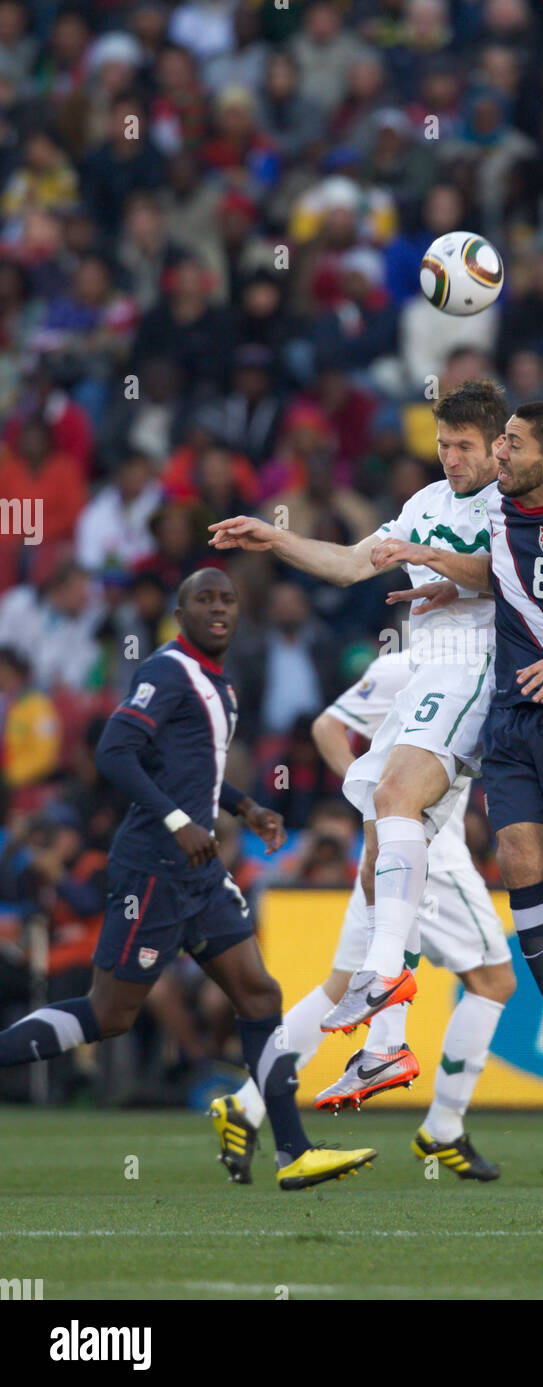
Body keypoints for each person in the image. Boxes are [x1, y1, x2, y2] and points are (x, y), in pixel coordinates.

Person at [0, 568, 375, 1191]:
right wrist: (177, 821)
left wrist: (244, 808)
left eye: (228, 597)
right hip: (152, 869)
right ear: (181, 612)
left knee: (259, 996)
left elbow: (185, 767)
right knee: (110, 1013)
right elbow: (115, 752)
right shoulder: (167, 671)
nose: (219, 608)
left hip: (199, 875)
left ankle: (293, 1152)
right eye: (204, 599)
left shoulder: (218, 682)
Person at [209, 380, 506, 1036]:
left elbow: (499, 573)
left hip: (476, 670)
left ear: (496, 448)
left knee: (398, 807)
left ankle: (401, 1006)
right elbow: (349, 564)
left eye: (464, 446)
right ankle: (383, 1018)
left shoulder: (507, 505)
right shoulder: (424, 500)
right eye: (442, 444)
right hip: (427, 672)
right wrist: (276, 540)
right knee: (376, 813)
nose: (451, 457)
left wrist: (428, 557)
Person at [374, 401, 543, 1101]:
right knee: (522, 865)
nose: (499, 452)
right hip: (512, 717)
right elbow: (499, 571)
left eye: (513, 443)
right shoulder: (497, 510)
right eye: (499, 440)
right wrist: (446, 576)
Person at [209, 649, 515, 1183]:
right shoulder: (457, 661)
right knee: (492, 981)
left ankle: (248, 1103)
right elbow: (329, 727)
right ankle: (442, 1127)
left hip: (386, 850)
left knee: (342, 985)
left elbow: (331, 723)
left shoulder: (417, 657)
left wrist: (378, 813)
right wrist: (377, 802)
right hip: (428, 849)